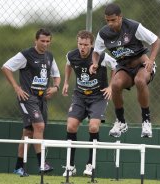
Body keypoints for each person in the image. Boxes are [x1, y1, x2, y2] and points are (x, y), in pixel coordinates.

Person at [90, 3, 160, 138]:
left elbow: (156, 41)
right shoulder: (103, 33)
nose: (110, 23)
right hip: (124, 67)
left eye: (113, 20)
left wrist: (151, 60)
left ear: (120, 17)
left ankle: (146, 120)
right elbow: (96, 52)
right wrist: (94, 63)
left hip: (142, 64)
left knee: (140, 80)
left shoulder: (134, 27)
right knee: (115, 84)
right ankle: (121, 122)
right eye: (107, 20)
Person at [1, 28, 61, 176]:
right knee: (39, 126)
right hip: (27, 98)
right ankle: (43, 164)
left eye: (48, 41)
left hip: (41, 99)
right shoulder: (25, 55)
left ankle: (18, 167)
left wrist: (56, 87)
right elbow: (6, 67)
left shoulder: (49, 56)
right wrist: (17, 88)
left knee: (28, 132)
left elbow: (57, 75)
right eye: (42, 41)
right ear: (35, 40)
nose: (45, 44)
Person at [61, 30, 116, 177]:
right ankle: (70, 166)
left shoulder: (100, 56)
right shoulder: (71, 55)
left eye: (85, 45)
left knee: (93, 126)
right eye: (80, 44)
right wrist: (66, 82)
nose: (82, 47)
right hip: (80, 95)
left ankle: (90, 165)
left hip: (98, 96)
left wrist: (111, 87)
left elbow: (116, 66)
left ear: (91, 45)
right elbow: (68, 65)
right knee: (71, 126)